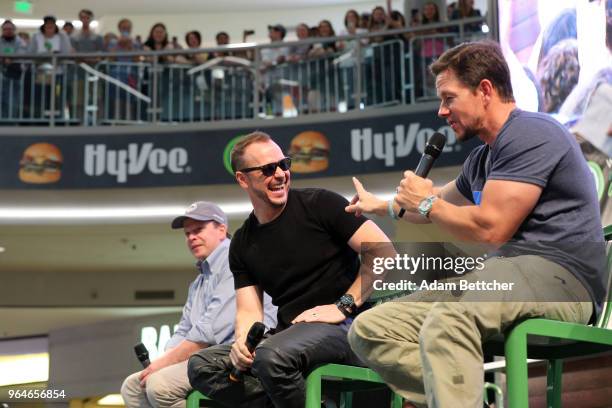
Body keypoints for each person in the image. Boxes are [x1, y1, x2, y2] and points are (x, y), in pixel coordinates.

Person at [345, 40, 606, 407]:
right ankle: (470, 399)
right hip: (510, 274)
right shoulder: (481, 159)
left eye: (449, 98)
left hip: (561, 280)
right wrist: (383, 207)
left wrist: (428, 201)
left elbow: (490, 228)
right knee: (370, 330)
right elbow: (434, 204)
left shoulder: (532, 132)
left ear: (484, 90)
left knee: (447, 320)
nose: (441, 111)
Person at [187, 132, 392, 408]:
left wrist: (343, 306)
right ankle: (305, 400)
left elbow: (384, 252)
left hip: (343, 328)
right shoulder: (243, 243)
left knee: (271, 358)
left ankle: (291, 395)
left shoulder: (320, 204)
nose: (281, 174)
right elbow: (249, 311)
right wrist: (241, 345)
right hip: (286, 338)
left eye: (284, 164)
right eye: (268, 169)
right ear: (242, 179)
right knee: (203, 365)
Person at [121, 201, 277, 408]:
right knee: (132, 387)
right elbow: (184, 330)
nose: (192, 237)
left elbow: (208, 334)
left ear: (221, 229)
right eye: (187, 233)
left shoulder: (234, 260)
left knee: (160, 386)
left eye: (199, 229)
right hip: (208, 357)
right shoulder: (198, 282)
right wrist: (165, 358)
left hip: (240, 355)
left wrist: (163, 364)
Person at [0, 19, 27, 119]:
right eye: (5, 29)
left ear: (14, 30)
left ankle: (12, 121)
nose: (8, 31)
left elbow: (21, 54)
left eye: (10, 29)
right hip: (2, 73)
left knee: (14, 100)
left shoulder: (20, 42)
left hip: (16, 74)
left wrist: (8, 59)